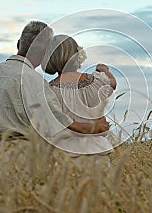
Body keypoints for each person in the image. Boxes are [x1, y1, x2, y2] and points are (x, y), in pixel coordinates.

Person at [0, 21, 110, 165]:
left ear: (19, 43)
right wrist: (97, 127)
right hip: (22, 159)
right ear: (45, 52)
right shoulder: (34, 81)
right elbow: (62, 126)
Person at [42, 34, 117, 164]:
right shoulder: (97, 82)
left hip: (64, 155)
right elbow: (112, 83)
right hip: (97, 151)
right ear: (77, 56)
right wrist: (103, 69)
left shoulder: (49, 91)